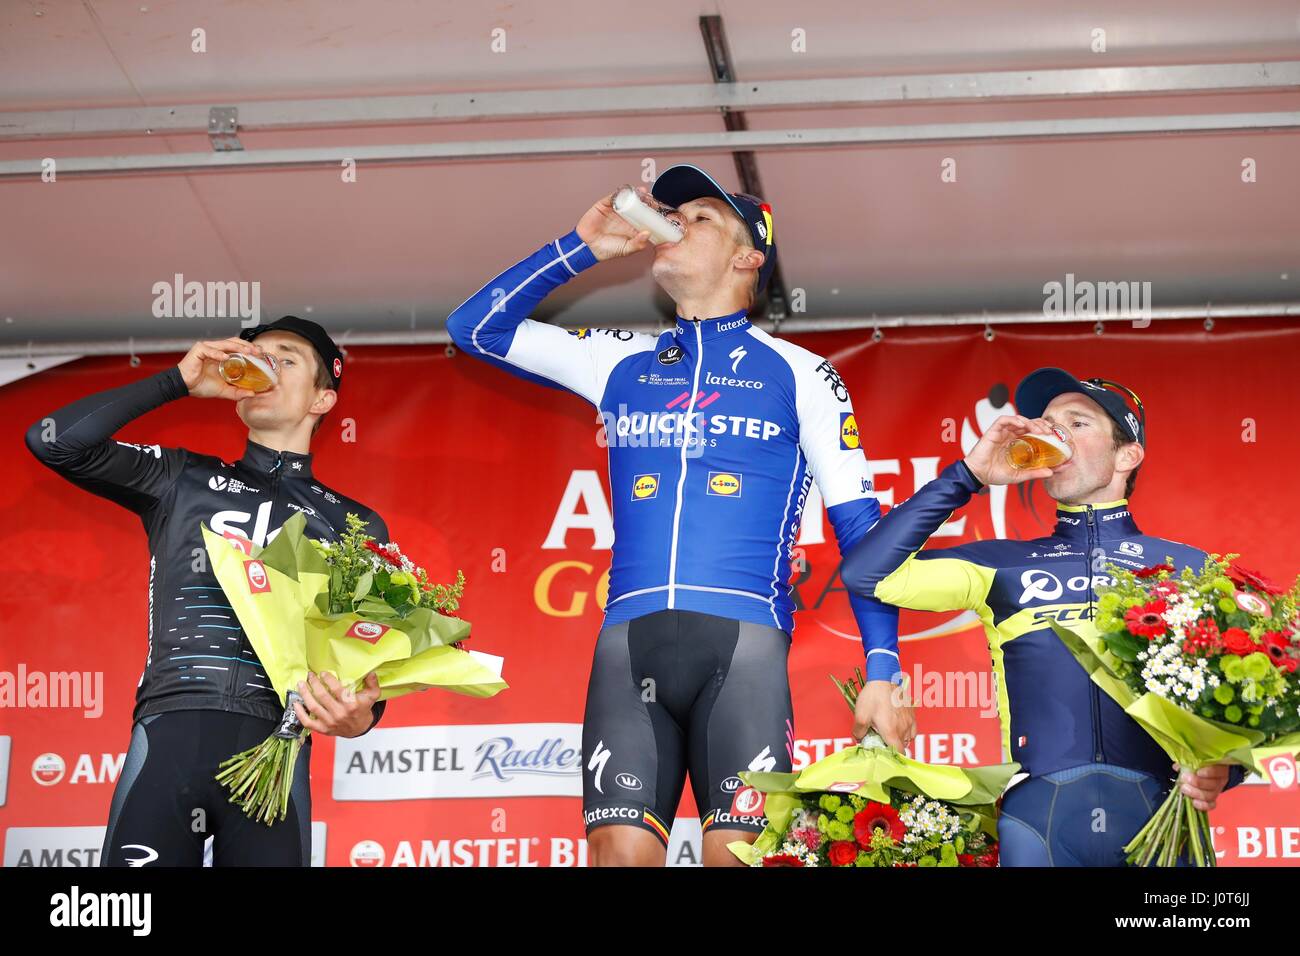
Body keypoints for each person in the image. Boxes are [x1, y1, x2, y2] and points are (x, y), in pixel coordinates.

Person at [446, 164, 912, 866]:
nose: (673, 222)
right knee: (616, 854)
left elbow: (861, 531)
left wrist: (881, 667)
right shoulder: (620, 361)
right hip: (628, 649)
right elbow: (473, 327)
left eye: (700, 218)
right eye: (675, 211)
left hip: (744, 654)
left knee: (740, 858)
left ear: (746, 256)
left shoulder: (801, 371)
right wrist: (581, 249)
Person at [24, 316, 390, 867]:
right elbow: (53, 442)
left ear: (322, 399)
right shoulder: (180, 477)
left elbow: (367, 662)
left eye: (286, 359)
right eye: (256, 355)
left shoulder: (354, 524)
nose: (265, 364)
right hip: (170, 735)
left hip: (275, 752)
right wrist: (178, 381)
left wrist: (359, 718)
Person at [841, 367, 1243, 866]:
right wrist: (968, 477)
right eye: (1048, 423)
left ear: (1127, 455)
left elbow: (1243, 698)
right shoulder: (1000, 563)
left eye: (1078, 423)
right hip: (1039, 819)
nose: (1055, 433)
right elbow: (866, 574)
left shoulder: (1192, 569)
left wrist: (1228, 768)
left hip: (1162, 816)